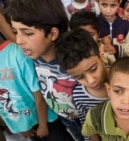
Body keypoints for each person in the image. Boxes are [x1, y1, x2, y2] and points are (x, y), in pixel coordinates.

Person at [5, 0, 84, 140]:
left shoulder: (73, 63)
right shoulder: (33, 59)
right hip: (64, 118)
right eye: (15, 32)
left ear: (53, 34)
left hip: (84, 121)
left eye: (27, 33)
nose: (18, 40)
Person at [0, 39, 73, 141]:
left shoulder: (17, 52)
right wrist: (18, 127)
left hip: (45, 119)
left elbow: (38, 93)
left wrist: (43, 125)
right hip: (25, 125)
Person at [55, 29, 110, 140]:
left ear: (101, 55)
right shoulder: (79, 96)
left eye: (93, 69)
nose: (90, 81)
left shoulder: (123, 77)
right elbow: (90, 130)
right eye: (79, 77)